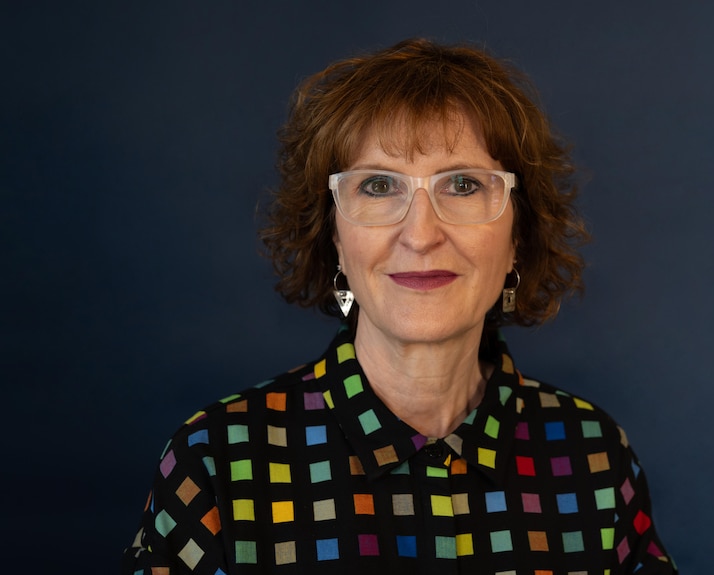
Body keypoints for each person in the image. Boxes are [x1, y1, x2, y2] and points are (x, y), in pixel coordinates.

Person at [121, 38, 677, 574]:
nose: (420, 234)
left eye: (461, 184)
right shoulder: (217, 462)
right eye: (378, 187)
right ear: (335, 237)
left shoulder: (593, 457)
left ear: (519, 236)